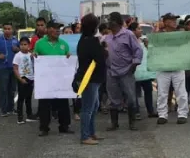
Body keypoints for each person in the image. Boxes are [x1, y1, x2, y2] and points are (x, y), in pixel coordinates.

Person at [103, 12, 143, 131]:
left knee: (131, 97)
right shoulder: (107, 38)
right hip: (111, 72)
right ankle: (114, 123)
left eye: (109, 20)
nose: (108, 23)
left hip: (126, 71)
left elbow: (138, 51)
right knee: (113, 98)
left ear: (116, 22)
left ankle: (132, 123)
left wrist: (134, 65)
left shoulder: (128, 34)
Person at [33, 20, 73, 136]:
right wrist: (34, 56)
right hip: (46, 80)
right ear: (48, 29)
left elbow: (67, 60)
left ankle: (64, 126)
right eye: (55, 28)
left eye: (59, 29)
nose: (57, 31)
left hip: (60, 80)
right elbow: (35, 56)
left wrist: (69, 57)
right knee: (44, 104)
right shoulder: (40, 43)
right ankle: (44, 128)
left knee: (63, 102)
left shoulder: (63, 44)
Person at [76, 14, 106, 145]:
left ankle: (91, 132)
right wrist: (104, 49)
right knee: (87, 108)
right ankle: (85, 136)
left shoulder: (83, 39)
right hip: (90, 78)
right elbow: (100, 58)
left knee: (94, 106)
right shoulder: (92, 42)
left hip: (92, 78)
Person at [155, 13, 189, 125]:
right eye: (172, 20)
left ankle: (182, 114)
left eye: (175, 20)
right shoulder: (158, 35)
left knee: (181, 92)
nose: (175, 22)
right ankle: (162, 114)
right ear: (165, 22)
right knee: (162, 92)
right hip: (163, 67)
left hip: (177, 66)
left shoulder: (180, 34)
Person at [129, 23, 157, 119]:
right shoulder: (129, 41)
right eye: (138, 28)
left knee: (148, 91)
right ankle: (136, 112)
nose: (141, 30)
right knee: (135, 94)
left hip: (145, 73)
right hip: (134, 72)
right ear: (133, 31)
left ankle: (150, 111)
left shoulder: (144, 40)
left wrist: (147, 45)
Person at [0, 22, 20, 117]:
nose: (7, 30)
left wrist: (17, 49)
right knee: (4, 89)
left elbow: (20, 50)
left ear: (12, 30)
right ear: (3, 30)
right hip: (3, 68)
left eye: (9, 29)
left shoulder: (15, 40)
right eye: (5, 29)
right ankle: (3, 110)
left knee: (12, 89)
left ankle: (11, 108)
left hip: (13, 67)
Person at [13, 37, 36, 124]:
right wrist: (20, 79)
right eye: (21, 45)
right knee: (21, 98)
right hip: (22, 78)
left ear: (29, 46)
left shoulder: (30, 55)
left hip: (31, 78)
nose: (23, 46)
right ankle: (20, 117)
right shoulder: (18, 55)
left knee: (29, 98)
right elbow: (15, 68)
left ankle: (29, 115)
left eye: (25, 44)